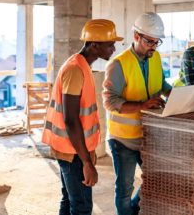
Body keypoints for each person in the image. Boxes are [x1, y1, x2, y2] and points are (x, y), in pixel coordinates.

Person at [42, 19, 123, 215]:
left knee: (70, 201)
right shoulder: (75, 70)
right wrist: (87, 162)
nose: (113, 48)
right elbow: (70, 120)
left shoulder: (82, 65)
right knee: (82, 206)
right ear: (94, 44)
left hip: (73, 149)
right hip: (73, 152)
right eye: (110, 44)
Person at [102, 12, 172, 215]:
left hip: (148, 135)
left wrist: (175, 94)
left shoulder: (155, 57)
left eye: (157, 42)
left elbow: (161, 84)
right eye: (150, 41)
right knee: (124, 189)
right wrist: (142, 105)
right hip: (123, 139)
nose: (153, 46)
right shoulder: (118, 65)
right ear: (136, 36)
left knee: (155, 178)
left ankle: (132, 211)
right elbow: (110, 101)